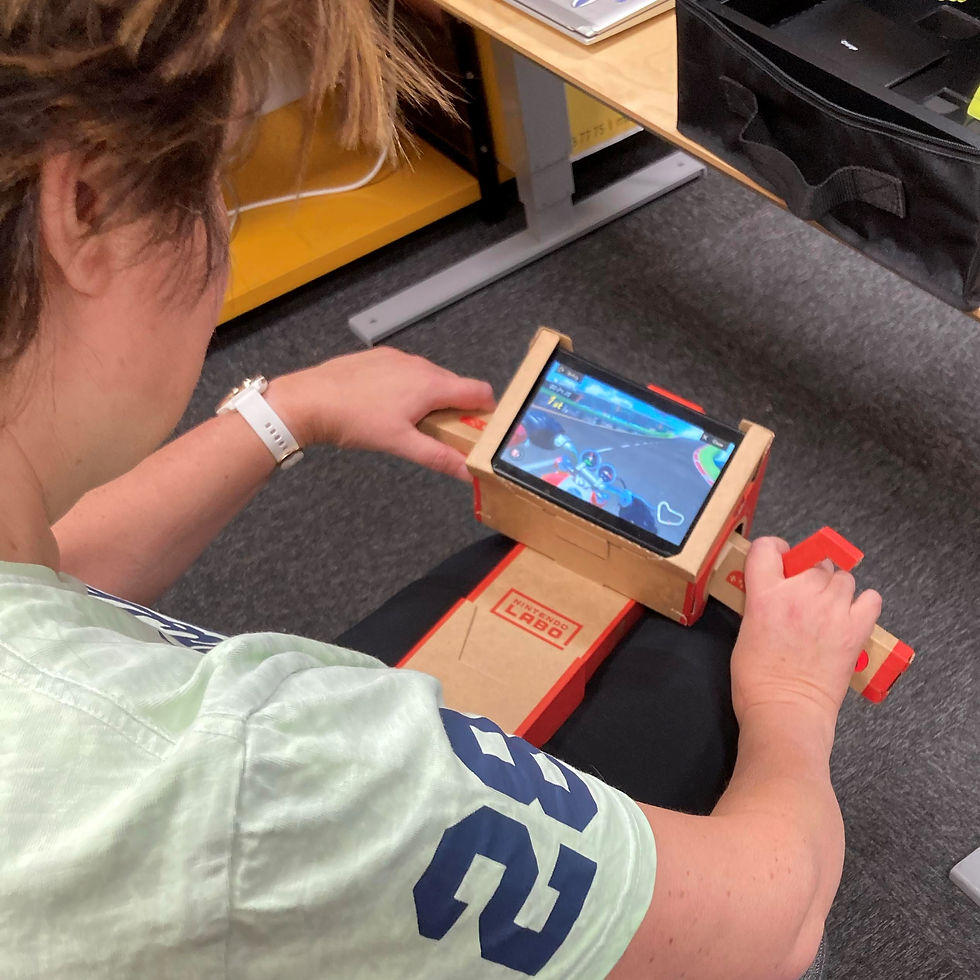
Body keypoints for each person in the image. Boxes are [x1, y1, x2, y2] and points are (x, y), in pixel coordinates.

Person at [0, 1, 881, 977]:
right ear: (87, 205)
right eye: (219, 185)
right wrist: (795, 702)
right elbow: (770, 922)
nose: (221, 229)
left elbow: (49, 577)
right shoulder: (278, 767)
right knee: (706, 677)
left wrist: (287, 410)